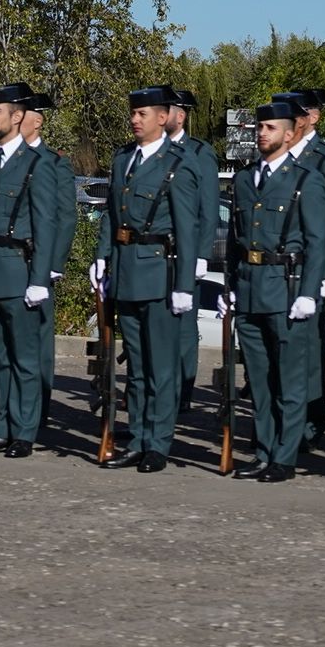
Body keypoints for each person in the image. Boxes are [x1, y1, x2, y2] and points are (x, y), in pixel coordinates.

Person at [92, 87, 201, 473]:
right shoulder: (124, 159)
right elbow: (111, 214)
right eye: (133, 113)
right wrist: (102, 256)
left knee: (162, 368)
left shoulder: (179, 163)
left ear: (162, 117)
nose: (135, 120)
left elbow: (187, 228)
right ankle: (136, 439)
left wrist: (185, 283)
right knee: (136, 365)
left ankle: (158, 443)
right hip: (126, 270)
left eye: (143, 114)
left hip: (160, 271)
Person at [224, 100, 325, 482]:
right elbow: (237, 241)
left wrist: (309, 292)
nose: (261, 133)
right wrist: (231, 285)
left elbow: (319, 242)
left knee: (289, 380)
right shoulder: (243, 180)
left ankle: (284, 457)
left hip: (286, 289)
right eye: (259, 127)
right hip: (251, 288)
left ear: (289, 134)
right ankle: (264, 450)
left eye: (270, 128)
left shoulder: (306, 180)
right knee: (260, 380)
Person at [0, 83, 61, 458]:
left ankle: (24, 430)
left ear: (17, 116)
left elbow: (46, 224)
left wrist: (40, 279)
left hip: (18, 271)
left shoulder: (38, 165)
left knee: (24, 358)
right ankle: (1, 426)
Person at [278, 88, 325, 449]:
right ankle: (282, 420)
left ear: (313, 117)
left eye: (296, 113)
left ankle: (311, 420)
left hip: (312, 264)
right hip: (277, 269)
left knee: (309, 348)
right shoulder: (278, 151)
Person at [19, 90, 77, 425]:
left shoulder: (55, 162)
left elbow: (65, 216)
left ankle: (37, 406)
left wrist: (54, 265)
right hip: (10, 259)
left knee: (39, 338)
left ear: (37, 120)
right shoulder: (5, 158)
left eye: (22, 113)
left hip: (38, 262)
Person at [164, 86, 220, 413]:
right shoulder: (150, 151)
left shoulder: (200, 154)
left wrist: (200, 255)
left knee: (184, 327)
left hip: (185, 253)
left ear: (180, 115)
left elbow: (208, 209)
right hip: (154, 255)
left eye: (166, 109)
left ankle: (182, 392)